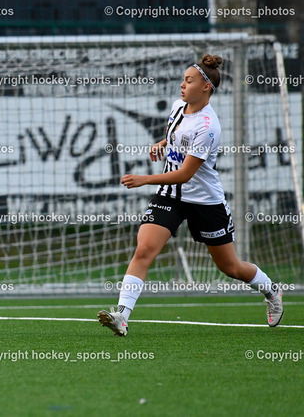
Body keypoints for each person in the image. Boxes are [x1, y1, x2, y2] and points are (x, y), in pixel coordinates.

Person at [98, 54, 284, 336]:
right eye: (183, 80)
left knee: (230, 267)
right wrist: (162, 143)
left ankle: (271, 290)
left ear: (206, 87)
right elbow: (175, 137)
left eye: (189, 80)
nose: (182, 85)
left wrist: (145, 179)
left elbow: (185, 174)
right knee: (144, 249)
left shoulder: (208, 126)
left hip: (204, 202)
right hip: (170, 196)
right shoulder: (177, 107)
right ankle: (121, 316)